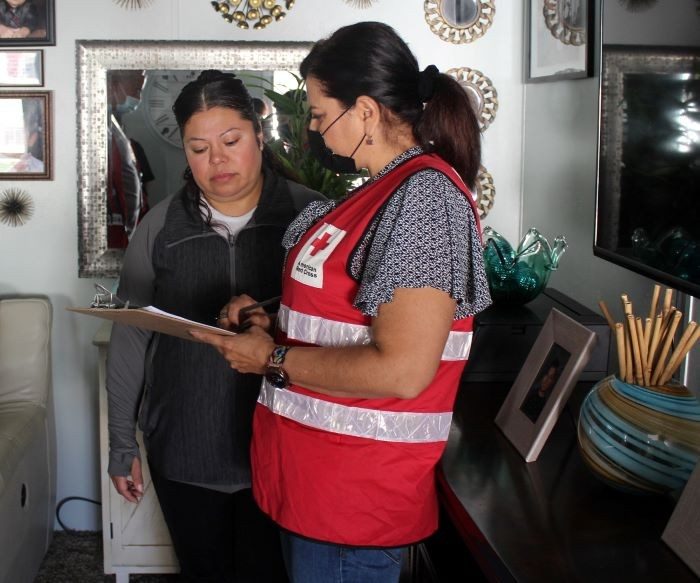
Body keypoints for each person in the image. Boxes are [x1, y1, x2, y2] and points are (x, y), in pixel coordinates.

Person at [191, 22, 492, 583]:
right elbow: (353, 310)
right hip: (318, 482)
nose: (314, 130)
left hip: (355, 496)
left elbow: (402, 369)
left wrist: (269, 360)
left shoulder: (425, 201)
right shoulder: (384, 190)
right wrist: (273, 316)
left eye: (318, 113)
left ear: (367, 112)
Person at [106, 70, 324, 583]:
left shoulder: (311, 218)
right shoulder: (159, 227)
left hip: (283, 452)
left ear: (259, 134)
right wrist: (122, 445)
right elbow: (130, 336)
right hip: (184, 449)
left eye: (231, 141)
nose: (218, 160)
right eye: (198, 148)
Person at [107, 70, 153, 248]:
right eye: (135, 89)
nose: (138, 98)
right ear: (113, 84)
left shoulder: (121, 137)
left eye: (140, 92)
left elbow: (140, 195)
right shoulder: (103, 135)